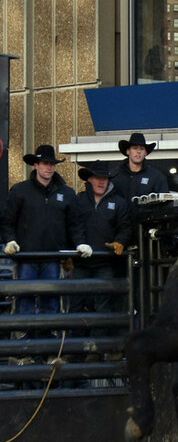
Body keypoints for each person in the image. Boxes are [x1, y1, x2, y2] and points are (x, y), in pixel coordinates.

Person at [1, 145, 92, 362]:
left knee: (52, 303)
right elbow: (7, 221)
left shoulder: (66, 193)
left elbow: (75, 224)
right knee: (24, 302)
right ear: (36, 165)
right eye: (45, 163)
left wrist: (80, 243)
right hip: (26, 257)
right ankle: (22, 352)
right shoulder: (20, 190)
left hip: (53, 258)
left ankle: (51, 352)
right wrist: (10, 240)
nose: (49, 168)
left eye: (51, 164)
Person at [70, 162, 133, 368]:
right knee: (76, 304)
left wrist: (120, 241)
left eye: (104, 178)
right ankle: (75, 349)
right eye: (97, 178)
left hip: (105, 262)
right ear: (89, 179)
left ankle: (95, 350)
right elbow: (73, 225)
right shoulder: (79, 200)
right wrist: (79, 244)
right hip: (81, 261)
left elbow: (125, 227)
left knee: (102, 305)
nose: (101, 182)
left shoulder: (119, 203)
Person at [112, 132, 170, 213]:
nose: (138, 151)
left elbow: (165, 206)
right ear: (128, 151)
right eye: (135, 148)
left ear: (145, 153)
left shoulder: (157, 177)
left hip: (148, 221)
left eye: (142, 149)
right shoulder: (115, 175)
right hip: (120, 221)